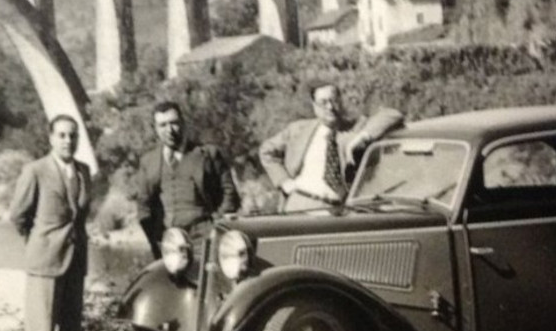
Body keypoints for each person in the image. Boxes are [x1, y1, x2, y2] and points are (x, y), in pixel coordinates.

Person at [8, 114, 91, 331]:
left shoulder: (84, 171)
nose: (68, 141)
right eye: (62, 135)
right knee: (40, 329)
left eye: (73, 135)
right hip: (44, 260)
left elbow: (80, 216)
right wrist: (38, 242)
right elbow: (18, 215)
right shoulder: (35, 171)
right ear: (51, 138)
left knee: (70, 328)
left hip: (75, 259)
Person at [258, 82, 403, 212]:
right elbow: (267, 151)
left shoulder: (355, 127)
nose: (330, 107)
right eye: (323, 102)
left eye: (334, 101)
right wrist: (283, 181)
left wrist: (363, 136)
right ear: (314, 106)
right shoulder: (298, 130)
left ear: (340, 101)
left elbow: (392, 114)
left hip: (339, 210)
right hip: (301, 203)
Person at [135, 100, 241, 254]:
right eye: (162, 125)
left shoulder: (208, 154)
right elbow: (143, 207)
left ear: (183, 123)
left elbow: (229, 193)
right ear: (155, 129)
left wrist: (216, 227)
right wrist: (155, 241)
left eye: (174, 123)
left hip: (205, 237)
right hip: (169, 242)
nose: (169, 130)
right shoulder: (148, 162)